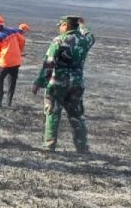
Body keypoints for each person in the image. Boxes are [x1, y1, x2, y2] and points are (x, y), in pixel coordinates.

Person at [31, 15, 95, 152]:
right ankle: (82, 147)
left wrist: (39, 82)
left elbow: (49, 63)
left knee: (52, 113)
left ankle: (49, 145)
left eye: (60, 25)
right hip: (77, 84)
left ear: (65, 25)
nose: (59, 28)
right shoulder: (85, 40)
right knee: (77, 116)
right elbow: (91, 36)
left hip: (58, 83)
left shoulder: (59, 40)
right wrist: (83, 25)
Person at [0, 15, 27, 107]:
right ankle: (8, 102)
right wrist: (22, 28)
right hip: (16, 62)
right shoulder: (12, 31)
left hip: (4, 64)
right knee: (12, 82)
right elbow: (21, 36)